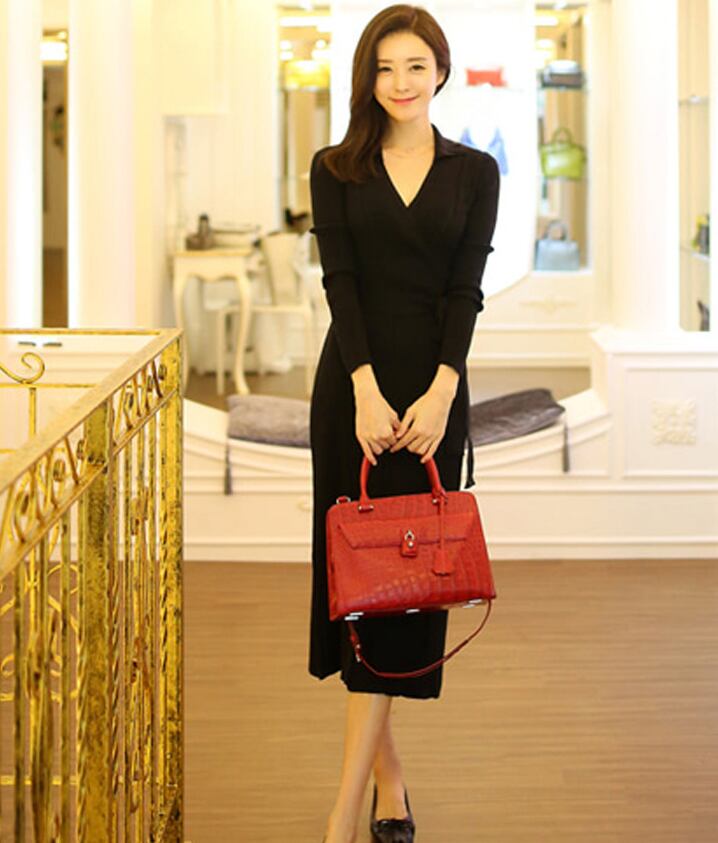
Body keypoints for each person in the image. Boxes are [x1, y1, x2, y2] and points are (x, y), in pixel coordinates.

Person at [308, 5, 500, 842]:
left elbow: (466, 290)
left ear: (441, 71)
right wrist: (362, 388)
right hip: (352, 396)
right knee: (360, 593)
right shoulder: (335, 168)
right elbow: (340, 282)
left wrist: (442, 391)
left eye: (415, 65)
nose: (400, 82)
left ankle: (360, 800)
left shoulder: (474, 172)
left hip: (431, 402)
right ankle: (358, 804)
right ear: (367, 78)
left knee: (406, 590)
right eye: (384, 67)